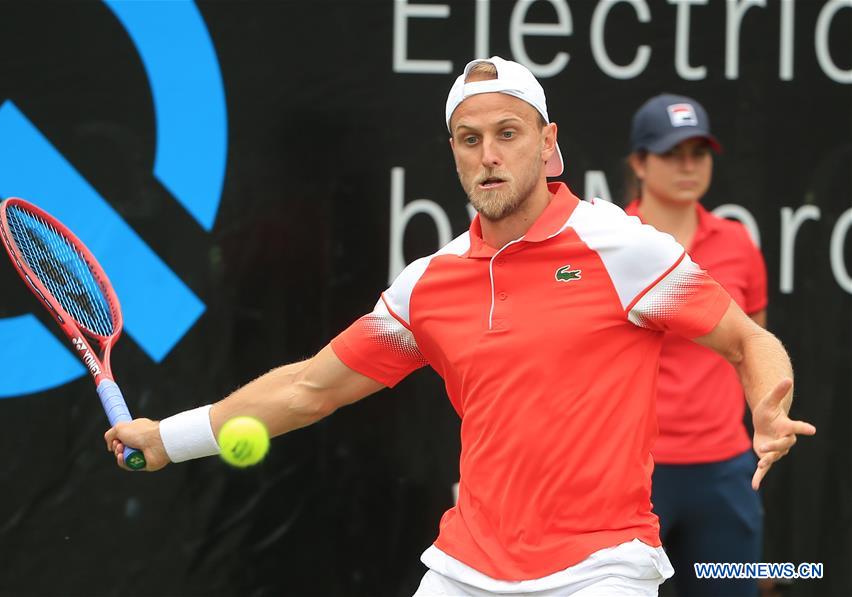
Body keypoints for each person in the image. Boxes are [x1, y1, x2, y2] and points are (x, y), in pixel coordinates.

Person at [105, 57, 815, 596]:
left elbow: (747, 338)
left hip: (603, 565)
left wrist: (767, 400)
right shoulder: (429, 285)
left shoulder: (623, 248)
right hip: (465, 567)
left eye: (508, 133)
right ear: (453, 151)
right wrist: (168, 438)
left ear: (548, 142)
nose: (488, 154)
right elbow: (309, 388)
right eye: (468, 139)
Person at [625, 94, 769, 597]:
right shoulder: (610, 243)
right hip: (631, 475)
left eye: (699, 152)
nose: (688, 165)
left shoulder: (737, 243)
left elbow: (753, 349)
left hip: (725, 473)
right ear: (639, 163)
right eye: (671, 152)